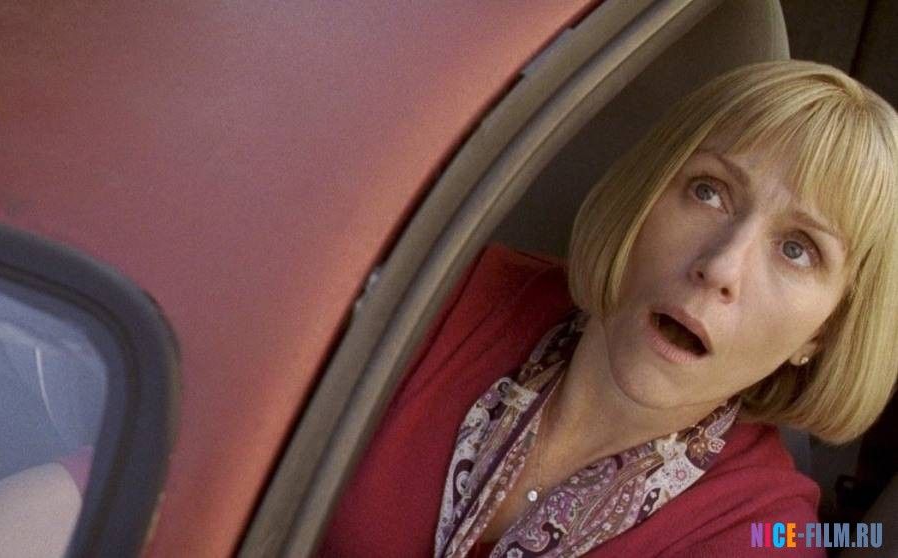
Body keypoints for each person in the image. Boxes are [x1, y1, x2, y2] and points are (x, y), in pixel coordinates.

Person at [320, 60, 898, 557]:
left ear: (822, 334)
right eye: (709, 191)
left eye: (797, 250)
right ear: (646, 194)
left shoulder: (763, 537)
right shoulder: (449, 295)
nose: (721, 267)